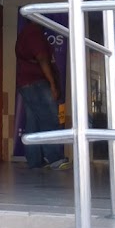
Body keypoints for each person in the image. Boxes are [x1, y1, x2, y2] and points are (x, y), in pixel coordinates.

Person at [15, 21, 69, 170]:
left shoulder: (24, 34)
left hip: (27, 84)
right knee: (49, 119)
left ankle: (35, 161)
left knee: (33, 123)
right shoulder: (34, 34)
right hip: (37, 83)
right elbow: (42, 58)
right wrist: (52, 84)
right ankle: (55, 159)